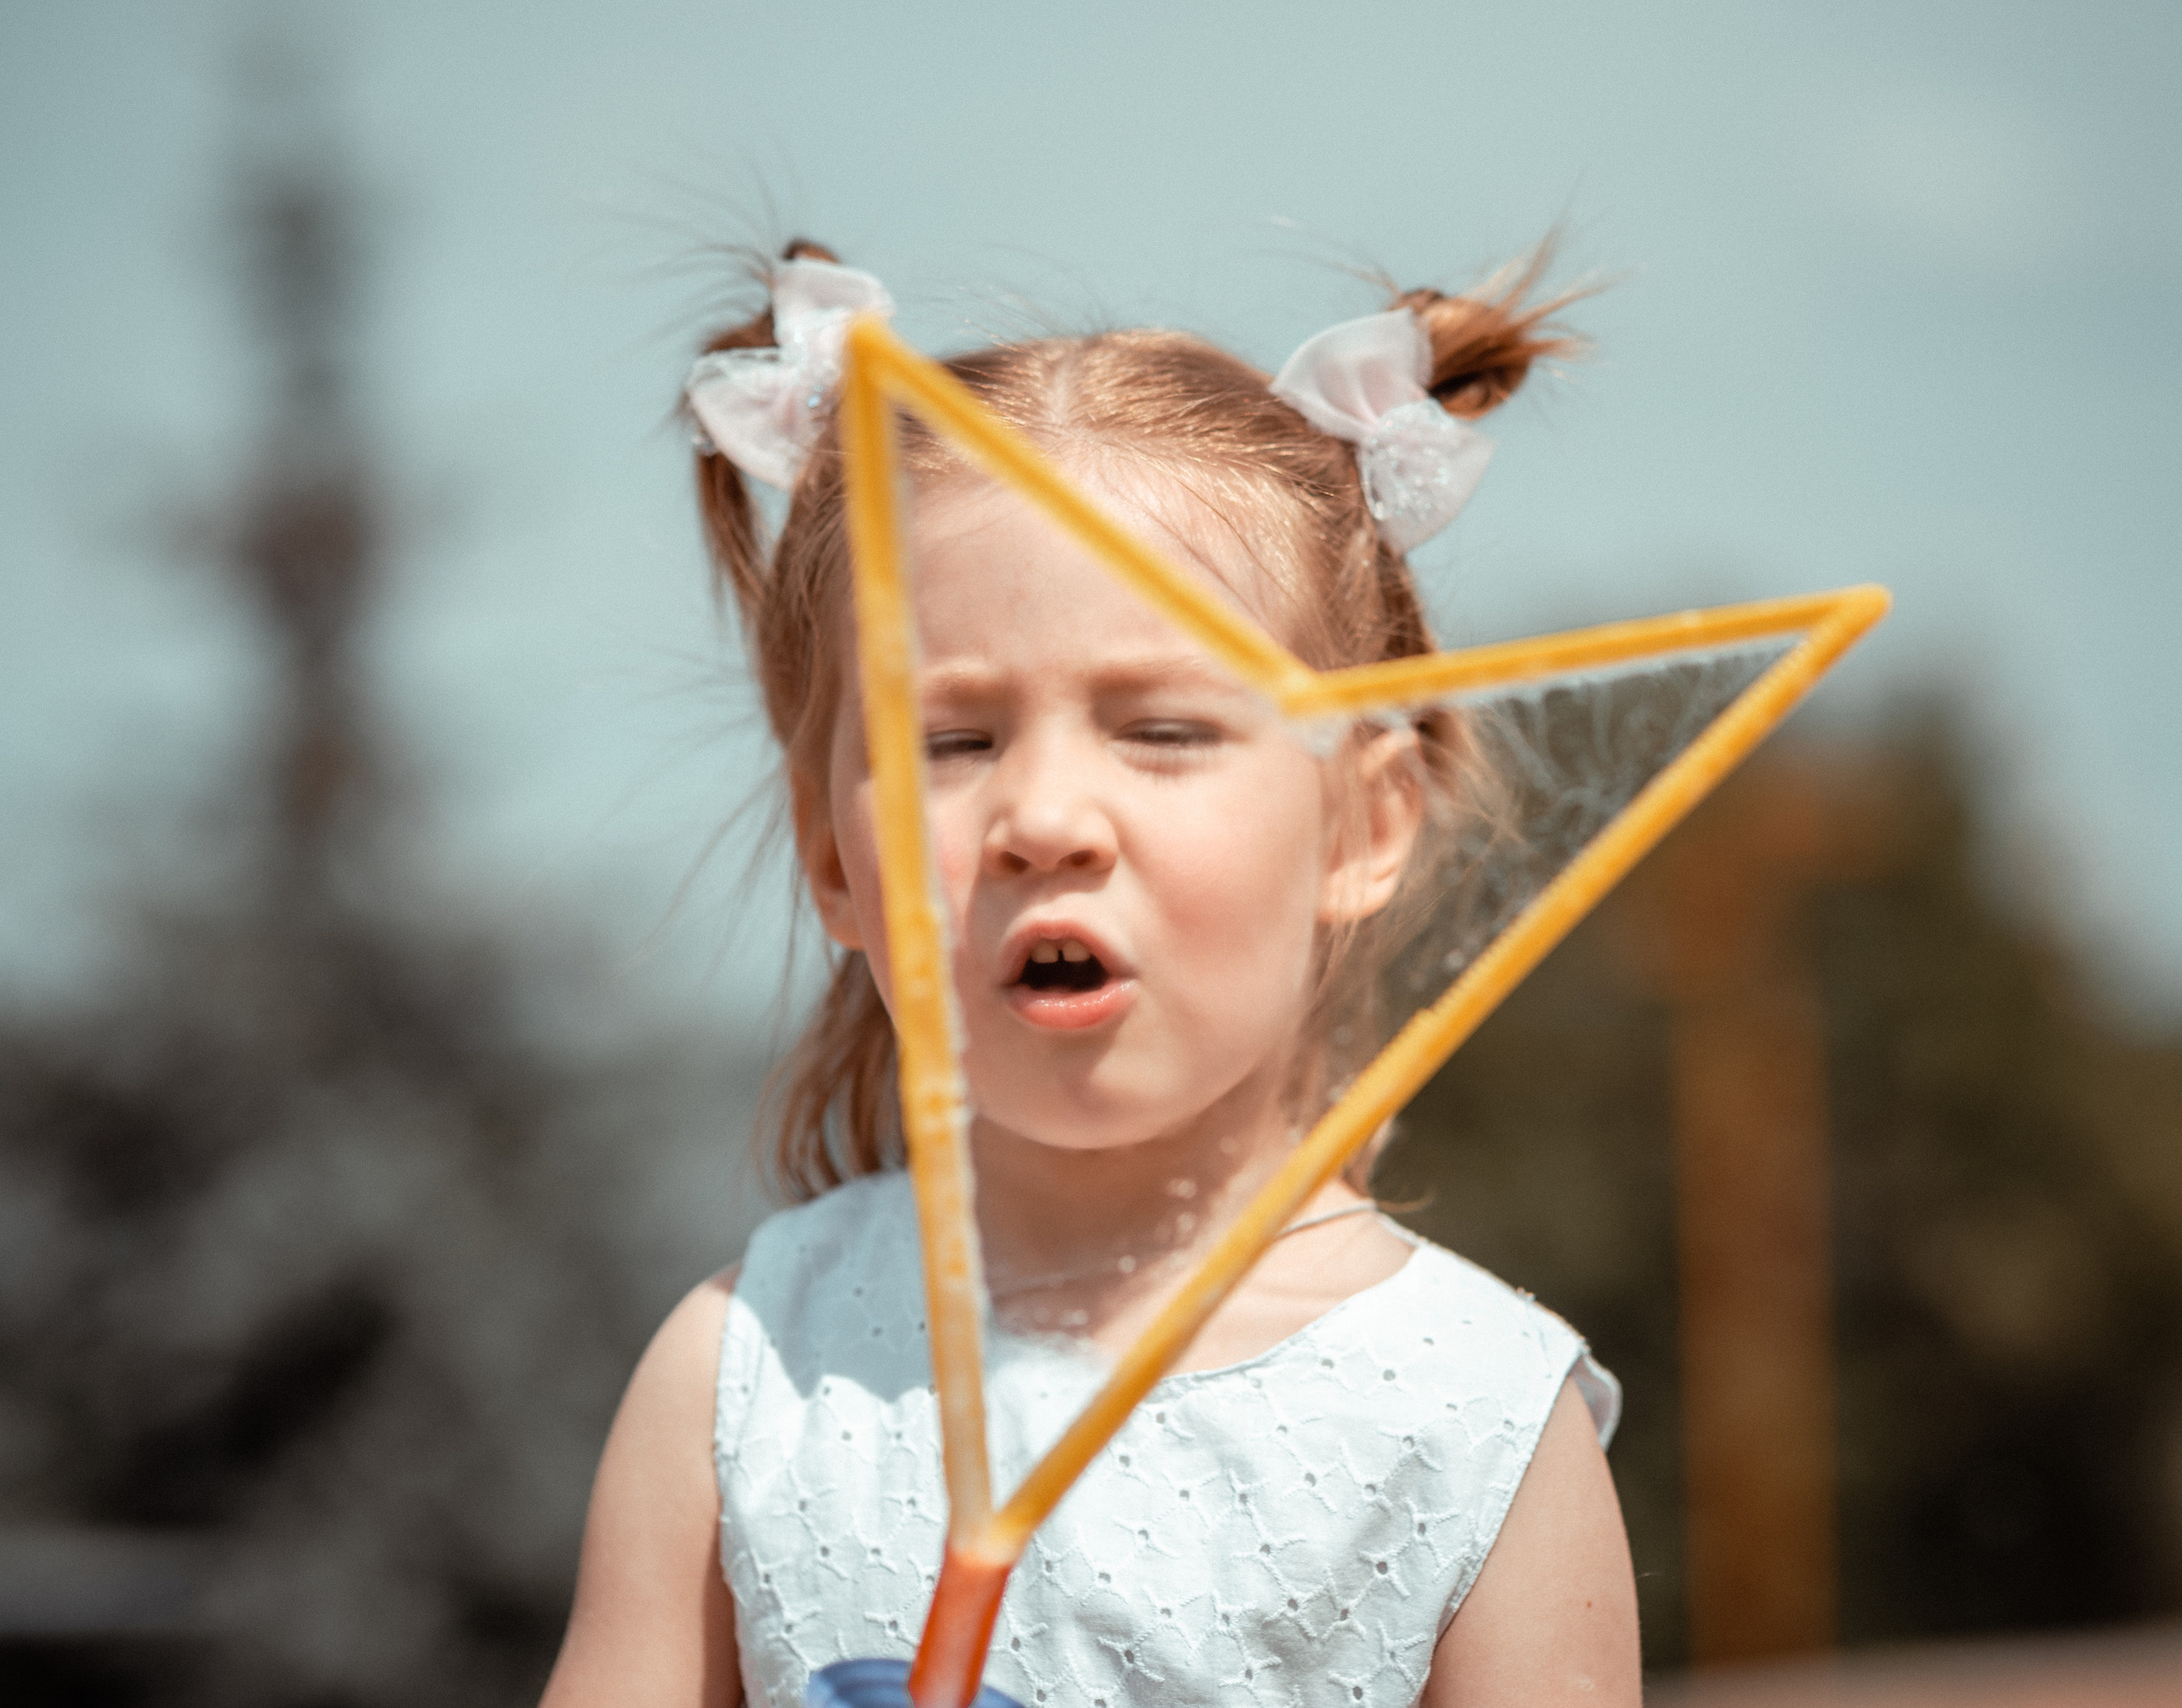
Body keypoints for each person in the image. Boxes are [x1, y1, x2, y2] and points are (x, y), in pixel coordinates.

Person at [541, 241, 1639, 1708]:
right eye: (954, 740)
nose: (1046, 818)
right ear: (830, 854)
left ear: (1364, 821)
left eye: (1163, 728)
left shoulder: (1475, 1419)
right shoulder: (744, 1371)